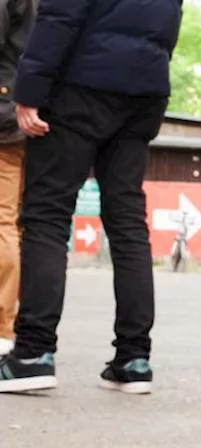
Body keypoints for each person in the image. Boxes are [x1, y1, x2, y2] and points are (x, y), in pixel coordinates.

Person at [0, 0, 183, 394]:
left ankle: (32, 354)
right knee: (128, 221)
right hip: (145, 89)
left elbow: (61, 15)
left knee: (46, 216)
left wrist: (28, 89)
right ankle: (134, 359)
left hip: (80, 85)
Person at [0, 0, 34, 358]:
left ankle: (2, 325)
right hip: (34, 111)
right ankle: (17, 326)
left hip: (6, 114)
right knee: (22, 224)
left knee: (3, 220)